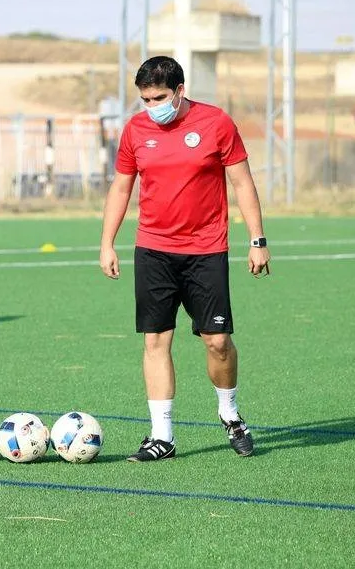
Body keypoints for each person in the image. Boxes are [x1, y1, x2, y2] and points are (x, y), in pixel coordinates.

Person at [99, 56, 271, 461]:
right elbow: (121, 188)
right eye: (144, 99)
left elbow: (242, 182)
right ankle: (162, 436)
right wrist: (107, 242)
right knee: (156, 340)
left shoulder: (216, 123)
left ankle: (230, 415)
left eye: (158, 97)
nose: (151, 105)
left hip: (206, 250)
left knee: (218, 343)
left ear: (179, 91)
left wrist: (257, 239)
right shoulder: (135, 130)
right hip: (154, 249)